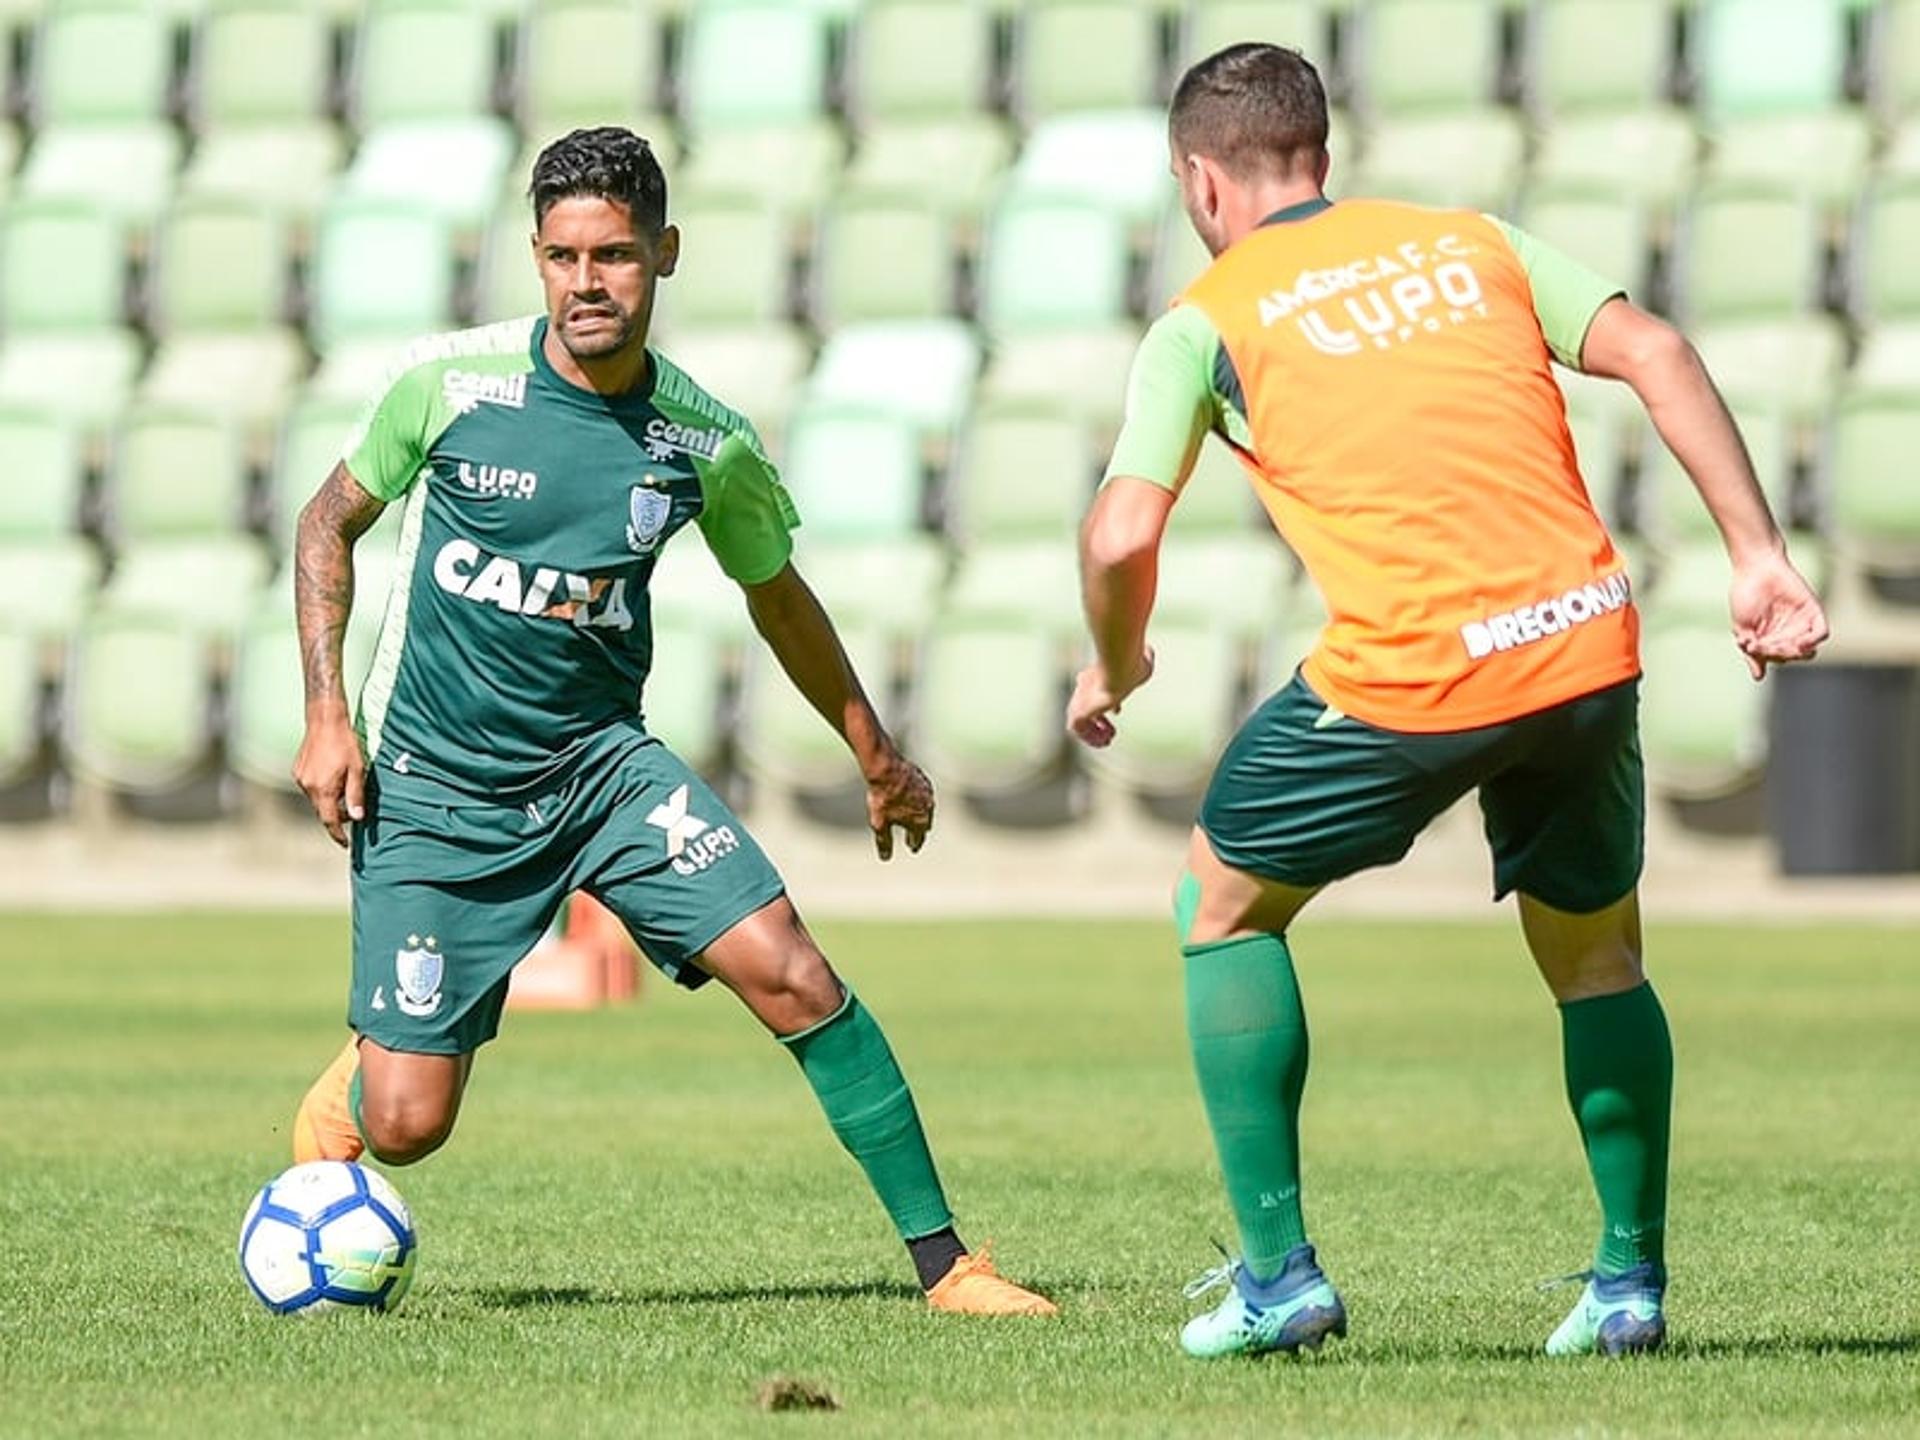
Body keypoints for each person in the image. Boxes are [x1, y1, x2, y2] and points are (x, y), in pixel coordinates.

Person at [1070, 44, 1827, 1359]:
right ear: (1321, 150)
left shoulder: (1206, 316)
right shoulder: (1470, 241)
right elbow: (1655, 348)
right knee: (1598, 958)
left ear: (1200, 182)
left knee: (1221, 902)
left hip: (1418, 668)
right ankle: (1629, 1288)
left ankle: (1278, 1276)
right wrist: (1758, 557)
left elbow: (1119, 535)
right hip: (1586, 643)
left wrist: (1118, 658)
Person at [288, 126, 1054, 1317]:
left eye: (615, 256)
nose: (586, 282)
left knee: (794, 971)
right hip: (437, 789)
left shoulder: (705, 441)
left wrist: (876, 751)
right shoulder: (448, 386)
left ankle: (949, 1267)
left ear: (666, 254)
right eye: (561, 256)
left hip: (603, 775)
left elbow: (776, 595)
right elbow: (324, 524)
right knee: (406, 1129)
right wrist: (328, 716)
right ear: (535, 258)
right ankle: (368, 1075)